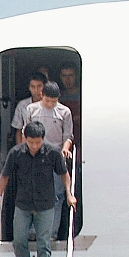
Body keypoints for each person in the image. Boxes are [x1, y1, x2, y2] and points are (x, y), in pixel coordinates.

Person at [0, 121, 76, 257]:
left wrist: (69, 194)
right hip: (23, 205)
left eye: (38, 142)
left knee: (44, 244)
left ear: (43, 139)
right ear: (25, 138)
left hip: (45, 206)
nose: (34, 146)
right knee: (19, 240)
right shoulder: (17, 153)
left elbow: (64, 174)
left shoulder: (52, 153)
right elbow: (4, 176)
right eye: (31, 142)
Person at [25, 81, 76, 234]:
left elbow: (68, 136)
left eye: (53, 101)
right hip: (35, 156)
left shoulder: (64, 112)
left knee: (56, 196)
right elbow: (25, 134)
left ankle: (51, 231)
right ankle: (34, 230)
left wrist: (65, 149)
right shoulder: (31, 109)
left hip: (55, 157)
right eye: (47, 100)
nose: (50, 104)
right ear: (42, 95)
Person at [11, 72, 47, 144]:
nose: (36, 90)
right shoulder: (22, 105)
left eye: (39, 86)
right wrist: (20, 149)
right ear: (29, 88)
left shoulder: (50, 104)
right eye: (33, 87)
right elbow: (18, 130)